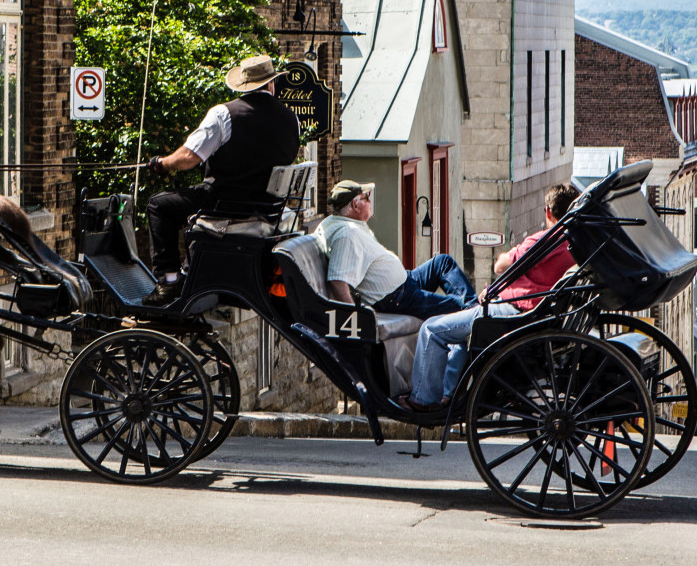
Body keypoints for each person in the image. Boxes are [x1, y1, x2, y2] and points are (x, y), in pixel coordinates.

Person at [405, 182, 584, 409]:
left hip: (515, 311)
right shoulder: (573, 242)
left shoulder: (545, 239)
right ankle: (449, 393)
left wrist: (509, 254)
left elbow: (501, 265)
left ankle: (423, 400)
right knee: (458, 319)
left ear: (548, 211)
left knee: (432, 330)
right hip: (536, 311)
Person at [144, 54, 302, 305]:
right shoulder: (291, 119)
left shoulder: (224, 114)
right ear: (271, 84)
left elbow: (188, 157)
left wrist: (161, 163)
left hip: (225, 204)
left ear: (244, 86)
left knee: (159, 205)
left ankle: (169, 282)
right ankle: (187, 273)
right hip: (265, 207)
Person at [316, 179, 474, 317]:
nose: (370, 201)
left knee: (442, 262)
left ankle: (475, 308)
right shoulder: (347, 235)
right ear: (355, 205)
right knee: (457, 305)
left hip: (405, 283)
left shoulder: (341, 222)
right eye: (367, 197)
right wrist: (355, 319)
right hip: (396, 298)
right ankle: (478, 315)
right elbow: (337, 280)